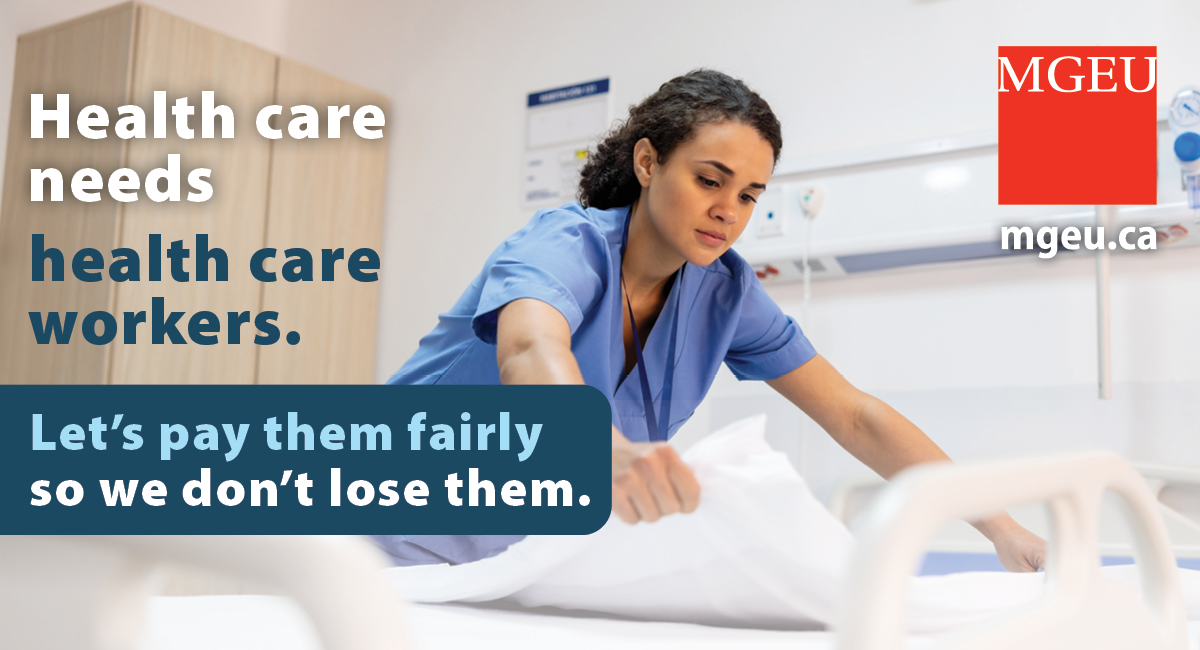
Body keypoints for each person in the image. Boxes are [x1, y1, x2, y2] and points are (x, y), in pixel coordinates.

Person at [371, 69, 1047, 571]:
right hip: (393, 539)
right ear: (646, 162)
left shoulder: (723, 291)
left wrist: (1001, 528)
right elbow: (527, 349)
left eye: (750, 193)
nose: (730, 208)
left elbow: (854, 416)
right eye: (709, 179)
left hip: (518, 563)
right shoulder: (564, 244)